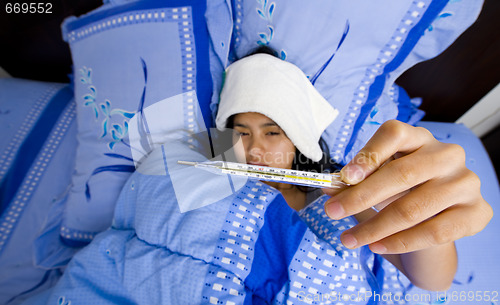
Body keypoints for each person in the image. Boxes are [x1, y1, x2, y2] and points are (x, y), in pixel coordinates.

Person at [215, 47, 493, 291]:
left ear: (298, 137)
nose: (254, 149)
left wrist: (423, 210)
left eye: (272, 133)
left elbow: (434, 281)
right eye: (242, 133)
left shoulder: (339, 190)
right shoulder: (215, 189)